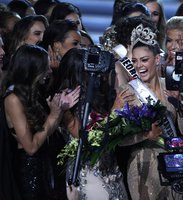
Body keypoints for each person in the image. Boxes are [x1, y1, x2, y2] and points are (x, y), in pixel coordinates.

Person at [1, 44, 79, 200]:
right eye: (45, 67)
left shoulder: (34, 93)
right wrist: (53, 116)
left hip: (45, 164)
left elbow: (46, 132)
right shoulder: (13, 99)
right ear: (32, 69)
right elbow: (30, 147)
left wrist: (60, 111)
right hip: (29, 170)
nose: (49, 71)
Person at [49, 47, 128, 200]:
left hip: (111, 170)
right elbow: (87, 139)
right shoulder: (65, 102)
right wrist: (114, 112)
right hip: (89, 174)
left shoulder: (97, 97)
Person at [113, 23, 180, 200]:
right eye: (134, 61)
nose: (139, 66)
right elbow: (118, 139)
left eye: (144, 60)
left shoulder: (171, 88)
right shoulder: (127, 92)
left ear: (157, 59)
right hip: (142, 164)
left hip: (175, 163)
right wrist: (145, 135)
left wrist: (180, 103)